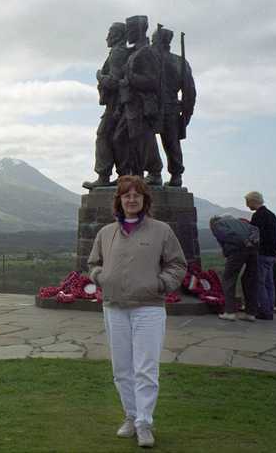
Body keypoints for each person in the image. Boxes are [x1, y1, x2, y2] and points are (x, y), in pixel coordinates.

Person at [87, 175, 186, 448]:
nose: (132, 200)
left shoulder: (161, 231)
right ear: (119, 200)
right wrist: (100, 277)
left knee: (145, 369)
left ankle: (144, 423)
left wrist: (161, 283)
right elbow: (93, 262)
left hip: (149, 309)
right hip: (114, 307)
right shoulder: (106, 233)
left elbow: (177, 264)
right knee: (121, 369)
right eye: (126, 195)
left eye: (137, 196)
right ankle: (130, 417)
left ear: (144, 200)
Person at [83, 22, 131, 189]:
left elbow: (115, 81)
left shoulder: (117, 53)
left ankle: (104, 176)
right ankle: (124, 175)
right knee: (117, 139)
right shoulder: (121, 52)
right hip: (120, 105)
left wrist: (99, 76)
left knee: (103, 135)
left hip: (116, 105)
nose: (106, 38)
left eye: (110, 34)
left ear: (117, 35)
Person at [117, 15, 163, 184]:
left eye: (130, 30)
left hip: (142, 104)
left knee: (144, 139)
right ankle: (131, 174)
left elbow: (153, 81)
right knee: (121, 138)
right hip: (129, 104)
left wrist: (131, 78)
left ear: (138, 30)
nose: (127, 34)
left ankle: (154, 172)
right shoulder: (134, 52)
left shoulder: (147, 52)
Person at [149, 27, 196, 187]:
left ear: (158, 42)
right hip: (172, 107)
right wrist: (186, 111)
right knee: (171, 143)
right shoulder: (180, 61)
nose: (151, 43)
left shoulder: (152, 59)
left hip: (156, 107)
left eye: (153, 40)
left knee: (152, 140)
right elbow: (190, 92)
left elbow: (189, 90)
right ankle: (175, 175)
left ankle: (157, 173)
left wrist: (186, 112)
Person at [209, 215, 259, 321]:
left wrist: (244, 242)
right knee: (249, 279)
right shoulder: (240, 222)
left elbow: (228, 236)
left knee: (228, 279)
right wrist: (251, 242)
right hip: (253, 250)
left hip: (238, 250)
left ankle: (230, 312)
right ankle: (251, 313)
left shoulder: (217, 225)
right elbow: (255, 229)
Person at [245, 191, 276, 320]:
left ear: (253, 201)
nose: (247, 205)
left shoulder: (257, 216)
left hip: (261, 253)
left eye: (248, 202)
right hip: (271, 254)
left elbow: (254, 237)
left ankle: (265, 311)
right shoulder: (272, 215)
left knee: (260, 283)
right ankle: (270, 308)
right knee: (269, 283)